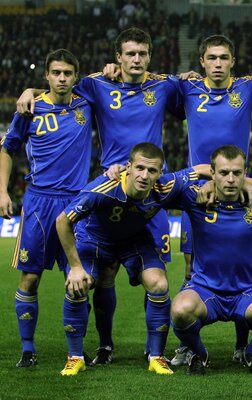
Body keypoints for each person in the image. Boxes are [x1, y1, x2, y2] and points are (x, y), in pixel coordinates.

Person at [17, 27, 182, 364]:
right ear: (117, 58)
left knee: (158, 280)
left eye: (142, 53)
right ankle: (105, 346)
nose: (136, 59)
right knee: (104, 275)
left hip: (151, 188)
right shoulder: (96, 83)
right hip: (111, 188)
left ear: (150, 57)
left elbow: (198, 87)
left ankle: (161, 352)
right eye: (130, 54)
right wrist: (30, 89)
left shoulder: (164, 84)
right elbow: (59, 88)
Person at [55, 143, 200, 376]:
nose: (144, 175)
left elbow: (202, 168)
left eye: (152, 170)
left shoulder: (165, 186)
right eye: (140, 168)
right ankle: (75, 357)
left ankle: (156, 356)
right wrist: (74, 267)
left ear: (160, 172)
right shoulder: (104, 187)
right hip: (95, 239)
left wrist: (227, 182)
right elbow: (63, 221)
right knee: (77, 286)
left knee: (159, 284)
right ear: (128, 167)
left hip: (134, 242)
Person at [171, 35, 252, 365]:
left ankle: (242, 343)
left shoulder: (249, 89)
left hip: (237, 185)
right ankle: (189, 345)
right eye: (211, 58)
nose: (217, 64)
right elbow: (146, 82)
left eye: (223, 58)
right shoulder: (186, 88)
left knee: (242, 263)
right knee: (190, 264)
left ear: (232, 61)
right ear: (201, 62)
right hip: (199, 192)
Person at [0, 49, 93, 368]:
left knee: (79, 279)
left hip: (77, 202)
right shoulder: (30, 108)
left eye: (68, 73)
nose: (62, 78)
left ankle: (76, 352)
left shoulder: (86, 103)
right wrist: (2, 191)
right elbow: (7, 149)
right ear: (47, 76)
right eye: (56, 73)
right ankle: (28, 348)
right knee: (30, 278)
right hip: (38, 202)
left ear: (76, 76)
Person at [169, 145, 252, 375]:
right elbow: (159, 183)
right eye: (223, 173)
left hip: (247, 292)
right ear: (212, 173)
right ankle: (200, 354)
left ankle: (251, 353)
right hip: (205, 290)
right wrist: (197, 171)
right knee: (180, 311)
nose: (231, 179)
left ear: (246, 173)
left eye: (237, 173)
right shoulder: (195, 197)